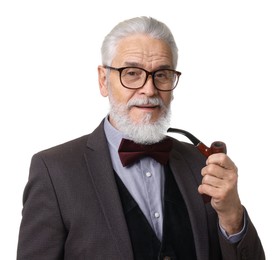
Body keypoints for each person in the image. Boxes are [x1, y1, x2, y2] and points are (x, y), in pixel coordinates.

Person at [17, 16, 265, 260]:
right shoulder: (53, 171)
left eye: (162, 74)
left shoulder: (202, 164)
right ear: (104, 81)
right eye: (132, 73)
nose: (149, 89)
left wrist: (233, 216)